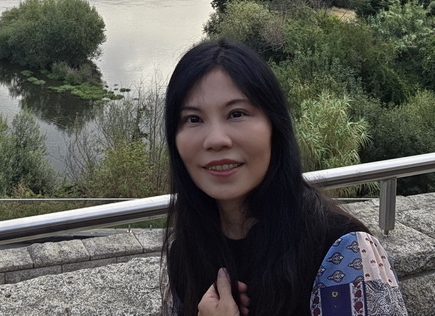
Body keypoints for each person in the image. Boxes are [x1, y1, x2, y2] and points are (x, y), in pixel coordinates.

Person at [162, 39, 407, 316]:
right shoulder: (186, 250)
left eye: (236, 114)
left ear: (274, 127)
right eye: (193, 119)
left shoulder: (343, 251)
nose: (216, 140)